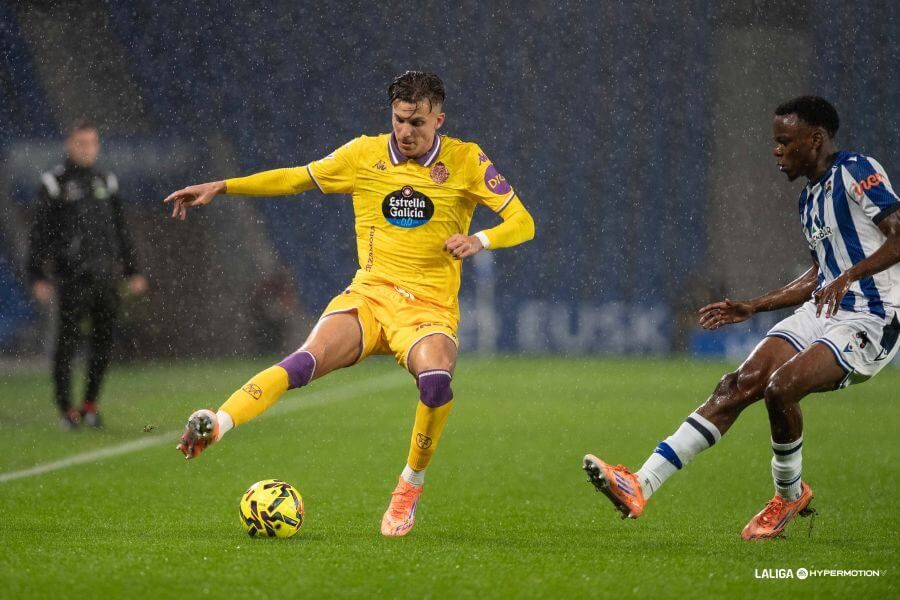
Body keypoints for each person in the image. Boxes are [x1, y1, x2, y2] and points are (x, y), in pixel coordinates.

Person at [164, 71, 535, 537]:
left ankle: (409, 485)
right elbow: (296, 180)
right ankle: (217, 423)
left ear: (440, 118)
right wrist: (224, 186)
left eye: (418, 122)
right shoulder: (364, 154)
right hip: (370, 297)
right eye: (400, 120)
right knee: (302, 363)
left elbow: (523, 222)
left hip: (428, 310)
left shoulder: (466, 159)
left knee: (437, 381)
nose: (407, 131)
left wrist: (479, 239)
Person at [583, 96, 899, 540]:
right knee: (739, 383)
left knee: (781, 388)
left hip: (871, 317)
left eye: (784, 141)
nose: (776, 150)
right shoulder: (810, 199)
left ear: (815, 139)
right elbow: (820, 274)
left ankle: (788, 498)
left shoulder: (857, 170)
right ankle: (639, 483)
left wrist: (850, 276)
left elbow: (898, 235)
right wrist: (754, 305)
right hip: (825, 310)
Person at [27, 119, 149, 430]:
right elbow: (39, 233)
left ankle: (90, 405)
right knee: (67, 343)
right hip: (72, 278)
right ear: (70, 145)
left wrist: (133, 269)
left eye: (92, 143)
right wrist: (37, 275)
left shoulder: (105, 181)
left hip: (105, 276)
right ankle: (66, 409)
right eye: (81, 143)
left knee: (103, 341)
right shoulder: (54, 182)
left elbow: (121, 230)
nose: (87, 149)